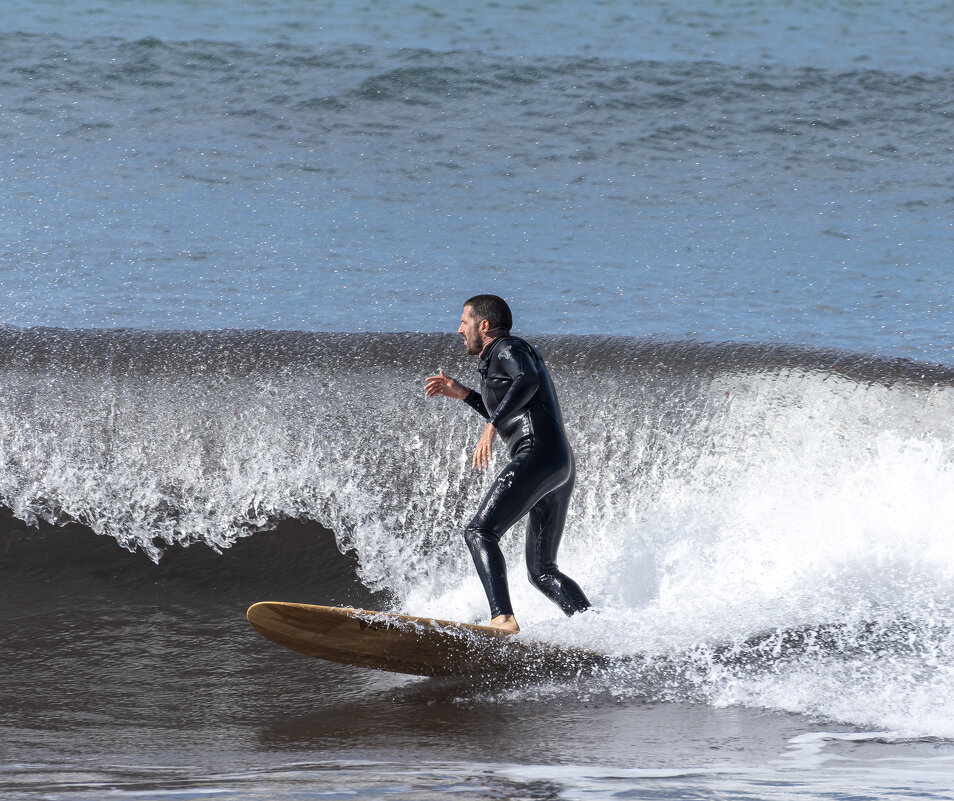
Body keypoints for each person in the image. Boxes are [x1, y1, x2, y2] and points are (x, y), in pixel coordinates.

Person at [424, 294, 591, 632]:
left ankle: (502, 619)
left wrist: (489, 426)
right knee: (542, 572)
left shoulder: (509, 349)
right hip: (556, 464)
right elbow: (510, 409)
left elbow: (526, 381)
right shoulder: (499, 359)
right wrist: (465, 394)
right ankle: (600, 630)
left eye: (464, 322)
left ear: (483, 325)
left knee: (479, 532)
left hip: (537, 454)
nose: (459, 330)